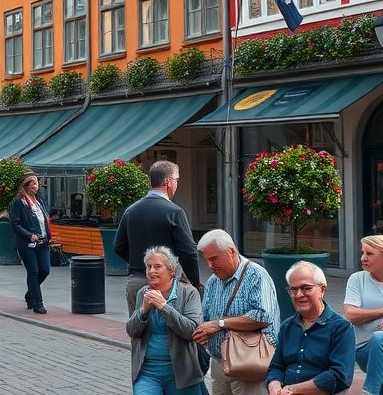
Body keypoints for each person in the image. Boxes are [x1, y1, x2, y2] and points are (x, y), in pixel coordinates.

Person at [191, 229, 280, 395]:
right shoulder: (213, 280)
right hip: (219, 363)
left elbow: (263, 315)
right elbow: (207, 317)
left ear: (231, 252)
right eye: (207, 261)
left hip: (248, 361)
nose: (210, 266)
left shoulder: (256, 274)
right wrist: (204, 331)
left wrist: (220, 324)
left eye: (214, 259)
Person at [115, 160, 203, 315]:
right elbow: (188, 252)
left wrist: (142, 263)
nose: (177, 184)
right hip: (167, 285)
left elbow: (118, 247)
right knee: (169, 334)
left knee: (138, 333)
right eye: (176, 180)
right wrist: (195, 282)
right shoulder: (174, 212)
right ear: (168, 182)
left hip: (136, 281)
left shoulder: (130, 211)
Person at [265, 261, 354, 394]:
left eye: (306, 288)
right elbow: (277, 367)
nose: (299, 295)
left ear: (322, 289)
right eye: (293, 289)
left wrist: (293, 389)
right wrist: (274, 386)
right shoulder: (287, 327)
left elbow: (339, 376)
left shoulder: (341, 328)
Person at [127, 246, 204, 395]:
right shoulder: (143, 293)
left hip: (181, 372)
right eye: (148, 267)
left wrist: (164, 307)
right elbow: (132, 331)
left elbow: (191, 331)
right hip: (147, 371)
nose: (151, 271)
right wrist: (143, 311)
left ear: (171, 270)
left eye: (157, 266)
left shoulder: (189, 293)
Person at [344, 234, 383, 395]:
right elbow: (351, 315)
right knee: (379, 338)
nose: (363, 258)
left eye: (369, 254)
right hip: (364, 350)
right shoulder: (357, 279)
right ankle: (370, 391)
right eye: (362, 253)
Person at [10, 171, 51, 314]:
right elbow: (15, 225)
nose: (36, 186)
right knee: (33, 271)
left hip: (43, 242)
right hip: (27, 243)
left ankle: (30, 294)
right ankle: (38, 303)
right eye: (33, 183)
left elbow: (44, 220)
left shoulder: (40, 202)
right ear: (25, 186)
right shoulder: (18, 203)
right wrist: (29, 235)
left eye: (37, 183)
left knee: (45, 270)